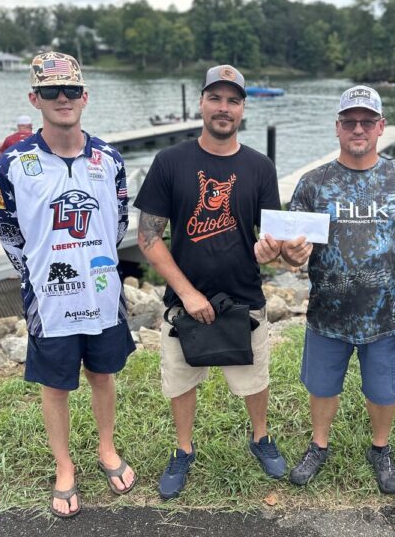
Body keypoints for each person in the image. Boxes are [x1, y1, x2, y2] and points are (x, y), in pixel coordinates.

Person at [0, 51, 137, 518]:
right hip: (49, 297)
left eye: (71, 90)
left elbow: (118, 225)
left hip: (101, 292)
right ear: (34, 97)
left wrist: (92, 263)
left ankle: (107, 449)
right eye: (51, 91)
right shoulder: (14, 162)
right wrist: (40, 273)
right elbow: (9, 233)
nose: (63, 99)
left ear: (84, 96)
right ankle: (64, 466)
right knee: (55, 385)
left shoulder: (109, 159)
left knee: (102, 375)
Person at [134, 64, 287, 499]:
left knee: (255, 378)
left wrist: (273, 249)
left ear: (242, 109)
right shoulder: (170, 162)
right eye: (215, 98)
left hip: (244, 297)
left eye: (233, 100)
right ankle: (183, 450)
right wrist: (186, 291)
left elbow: (270, 234)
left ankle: (260, 437)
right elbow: (148, 238)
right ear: (201, 103)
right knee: (180, 380)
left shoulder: (260, 167)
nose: (224, 108)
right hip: (184, 303)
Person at [281, 85, 395, 494]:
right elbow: (293, 250)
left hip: (385, 315)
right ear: (337, 127)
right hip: (326, 313)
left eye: (366, 122)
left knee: (384, 389)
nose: (358, 129)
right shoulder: (313, 184)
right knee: (321, 385)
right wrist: (292, 253)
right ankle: (319, 445)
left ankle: (380, 448)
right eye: (349, 121)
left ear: (380, 127)